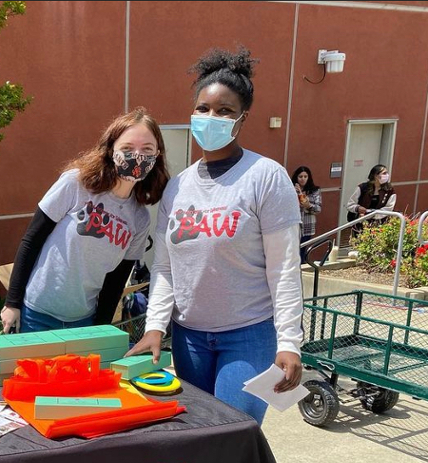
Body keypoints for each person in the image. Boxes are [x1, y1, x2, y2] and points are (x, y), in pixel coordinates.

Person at [127, 47, 303, 425]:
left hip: (248, 337)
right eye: (204, 109)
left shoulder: (266, 177)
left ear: (242, 119)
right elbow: (164, 266)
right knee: (199, 433)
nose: (212, 118)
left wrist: (289, 341)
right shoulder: (177, 187)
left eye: (224, 111)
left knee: (234, 433)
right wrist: (156, 325)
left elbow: (285, 268)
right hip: (189, 339)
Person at [0, 108, 169, 334]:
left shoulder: (139, 218)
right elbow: (32, 240)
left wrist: (99, 330)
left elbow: (116, 282)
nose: (137, 156)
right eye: (127, 148)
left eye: (146, 149)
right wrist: (12, 303)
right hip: (36, 315)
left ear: (156, 155)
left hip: (83, 321)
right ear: (111, 150)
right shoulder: (75, 184)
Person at [346, 164, 396, 239]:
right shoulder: (362, 188)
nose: (387, 175)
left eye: (387, 173)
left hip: (379, 226)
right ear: (376, 176)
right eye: (384, 173)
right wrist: (358, 208)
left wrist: (371, 214)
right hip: (360, 223)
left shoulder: (389, 190)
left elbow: (389, 208)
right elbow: (350, 204)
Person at [291, 166, 322, 264]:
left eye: (305, 176)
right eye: (300, 176)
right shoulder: (290, 189)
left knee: (302, 249)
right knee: (292, 249)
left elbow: (318, 209)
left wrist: (308, 206)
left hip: (307, 225)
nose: (303, 179)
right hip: (293, 224)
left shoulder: (314, 191)